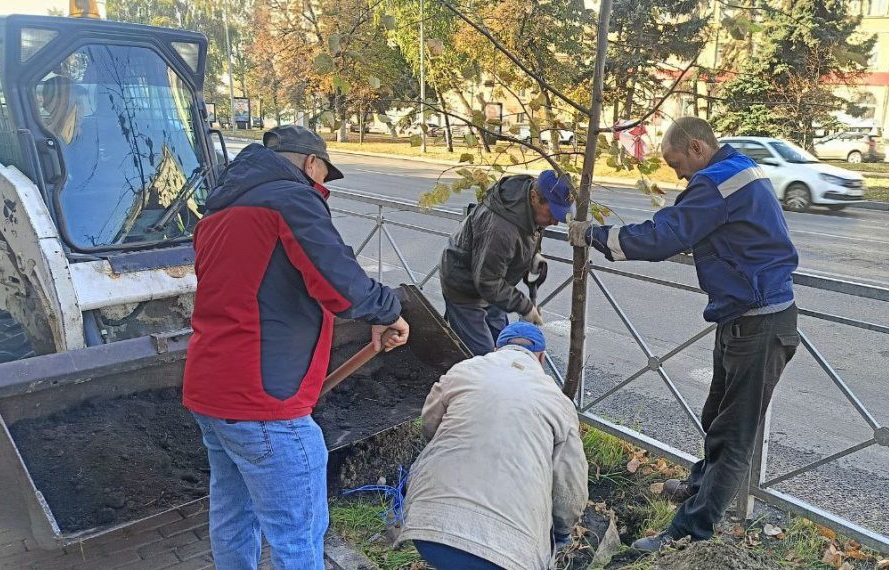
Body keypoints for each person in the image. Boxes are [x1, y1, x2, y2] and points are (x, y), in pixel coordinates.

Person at [183, 125, 410, 570]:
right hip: (265, 401)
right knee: (298, 536)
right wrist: (388, 311)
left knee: (233, 514)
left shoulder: (217, 214)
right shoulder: (291, 201)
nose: (323, 186)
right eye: (324, 174)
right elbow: (339, 283)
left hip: (210, 389)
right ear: (311, 163)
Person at [569, 116, 799, 551]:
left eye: (676, 163)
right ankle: (699, 484)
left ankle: (687, 533)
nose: (676, 174)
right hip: (742, 314)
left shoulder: (716, 182)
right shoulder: (736, 168)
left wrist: (594, 236)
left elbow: (662, 237)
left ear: (696, 147)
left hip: (760, 322)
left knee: (733, 437)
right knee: (716, 416)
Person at [398, 322, 588, 570]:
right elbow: (570, 484)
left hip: (430, 529)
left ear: (497, 348)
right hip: (508, 553)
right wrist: (562, 532)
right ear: (540, 358)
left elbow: (430, 426)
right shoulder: (558, 402)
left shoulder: (462, 371)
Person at [439, 170, 574, 356]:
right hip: (465, 288)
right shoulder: (501, 228)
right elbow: (487, 281)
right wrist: (525, 307)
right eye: (552, 212)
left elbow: (530, 231)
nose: (556, 221)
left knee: (504, 342)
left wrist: (532, 256)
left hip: (495, 283)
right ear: (534, 197)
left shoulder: (527, 199)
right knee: (482, 357)